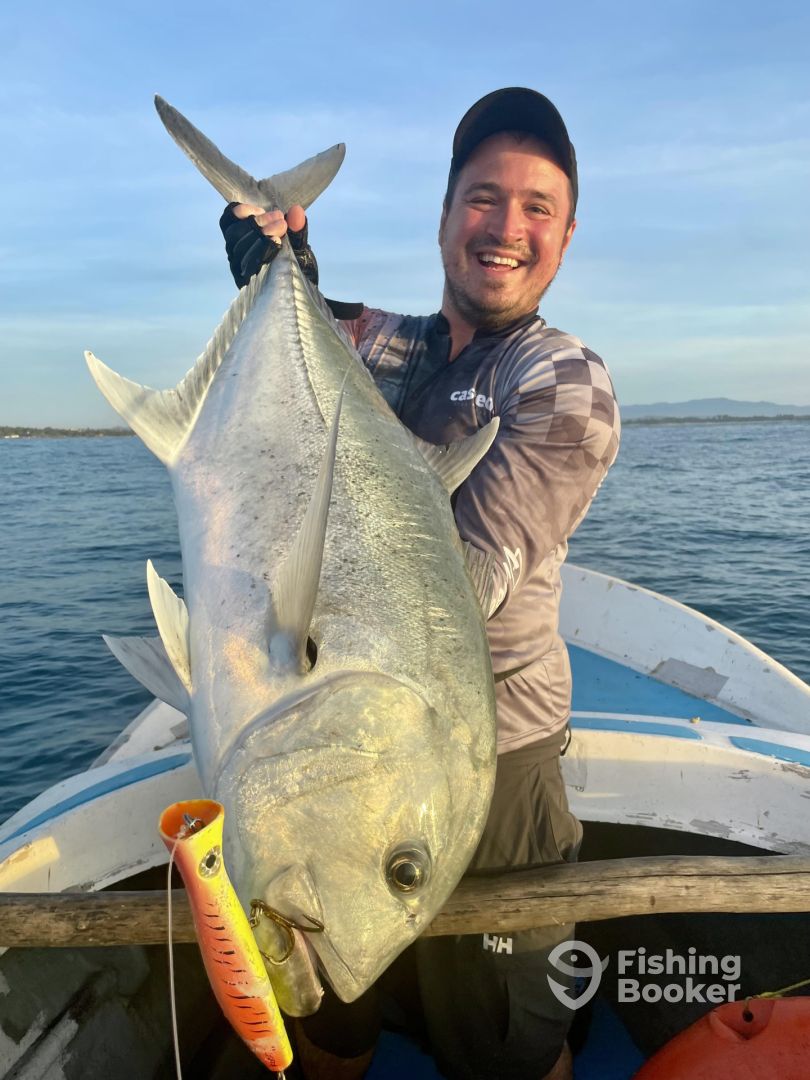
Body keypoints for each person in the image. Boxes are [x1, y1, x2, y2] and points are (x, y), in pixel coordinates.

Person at [220, 87, 620, 1080]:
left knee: (509, 1043)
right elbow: (307, 342)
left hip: (492, 762)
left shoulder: (562, 380)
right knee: (331, 1012)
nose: (507, 227)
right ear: (445, 218)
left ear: (567, 236)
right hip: (341, 729)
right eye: (484, 197)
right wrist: (279, 268)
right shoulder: (387, 343)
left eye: (537, 207)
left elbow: (451, 591)